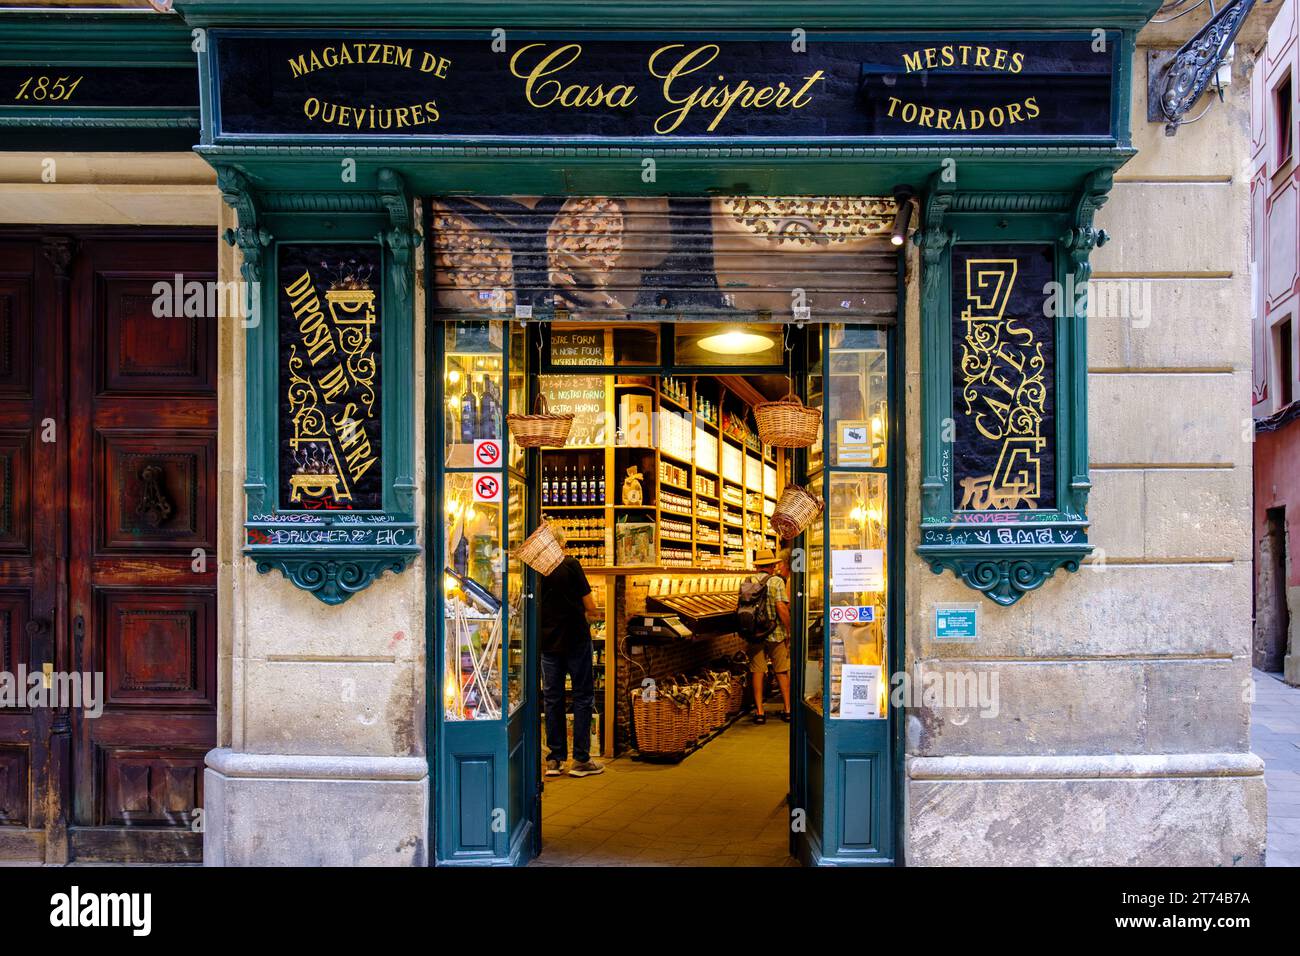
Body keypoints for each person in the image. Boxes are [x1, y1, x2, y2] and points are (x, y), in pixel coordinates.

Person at [539, 527, 604, 777]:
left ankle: (555, 760)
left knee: (553, 698)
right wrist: (592, 612)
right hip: (576, 639)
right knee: (582, 697)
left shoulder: (538, 570)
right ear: (562, 544)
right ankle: (581, 759)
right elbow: (590, 604)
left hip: (548, 643)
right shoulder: (572, 565)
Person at [747, 548, 792, 724]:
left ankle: (759, 712)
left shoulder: (748, 581)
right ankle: (788, 709)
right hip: (775, 633)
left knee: (757, 671)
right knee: (781, 670)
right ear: (773, 565)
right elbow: (781, 608)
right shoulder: (777, 582)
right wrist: (789, 630)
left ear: (758, 566)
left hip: (755, 634)